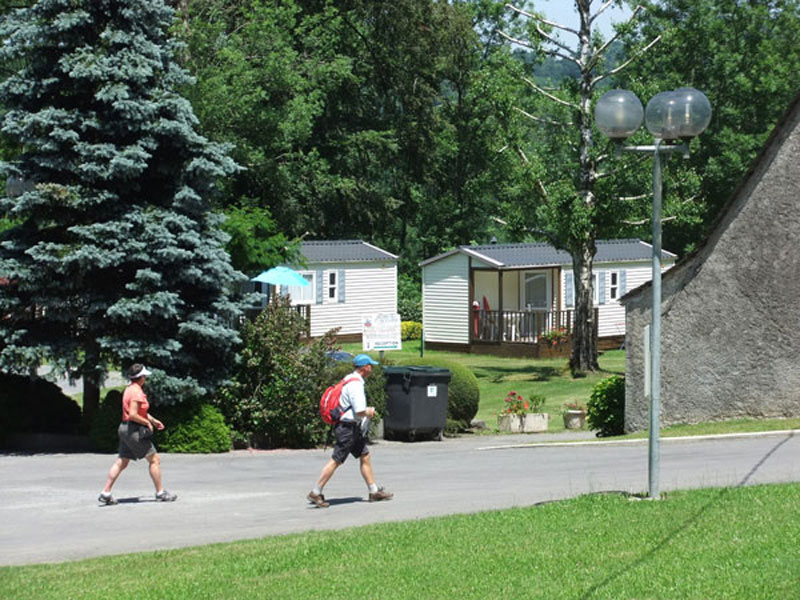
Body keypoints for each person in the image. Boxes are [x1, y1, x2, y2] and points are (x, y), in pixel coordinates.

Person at [307, 354, 393, 508]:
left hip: (351, 427)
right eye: (370, 366)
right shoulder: (356, 385)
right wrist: (370, 411)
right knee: (336, 460)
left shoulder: (349, 379)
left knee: (364, 455)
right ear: (364, 368)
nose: (372, 368)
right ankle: (315, 491)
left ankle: (373, 491)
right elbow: (360, 411)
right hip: (347, 428)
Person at [98, 364, 177, 505]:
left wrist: (153, 420)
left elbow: (140, 411)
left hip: (125, 429)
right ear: (140, 378)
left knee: (122, 461)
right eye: (144, 376)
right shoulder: (137, 392)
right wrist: (147, 423)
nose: (146, 378)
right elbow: (133, 414)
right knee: (154, 460)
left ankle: (106, 492)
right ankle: (160, 493)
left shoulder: (129, 389)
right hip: (134, 430)